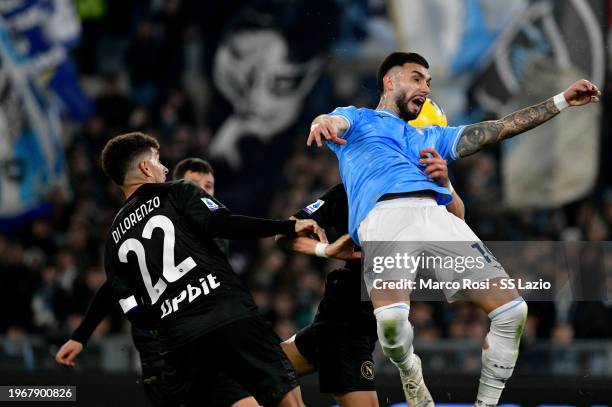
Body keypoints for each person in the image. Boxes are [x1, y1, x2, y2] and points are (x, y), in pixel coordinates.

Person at [307, 52, 600, 406]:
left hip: (434, 216)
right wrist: (322, 122)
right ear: (390, 80)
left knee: (513, 312)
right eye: (417, 78)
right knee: (393, 330)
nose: (425, 88)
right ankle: (409, 372)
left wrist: (562, 101)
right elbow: (333, 121)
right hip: (384, 220)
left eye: (428, 82)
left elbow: (500, 128)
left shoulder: (432, 138)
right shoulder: (358, 119)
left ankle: (486, 404)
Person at [100, 132, 325, 407]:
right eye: (158, 160)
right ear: (145, 168)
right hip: (227, 316)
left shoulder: (113, 241)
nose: (165, 168)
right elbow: (223, 224)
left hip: (180, 344)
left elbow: (132, 309)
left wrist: (171, 316)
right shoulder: (177, 191)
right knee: (288, 400)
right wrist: (286, 226)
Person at [277, 101, 464, 407]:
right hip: (347, 325)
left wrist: (445, 182)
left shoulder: (431, 196)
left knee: (263, 373)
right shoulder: (353, 191)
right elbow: (285, 233)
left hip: (352, 325)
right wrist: (326, 250)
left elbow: (459, 225)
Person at [56, 157, 262, 407]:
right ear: (176, 187)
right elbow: (113, 286)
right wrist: (81, 335)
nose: (202, 191)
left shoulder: (214, 232)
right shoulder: (153, 229)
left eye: (208, 186)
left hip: (205, 342)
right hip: (162, 349)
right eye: (194, 185)